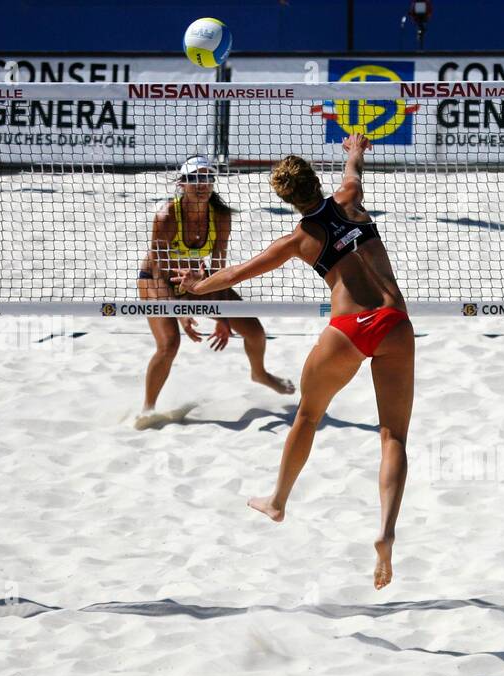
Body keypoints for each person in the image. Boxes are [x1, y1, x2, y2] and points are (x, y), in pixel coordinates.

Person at [176, 135, 413, 589]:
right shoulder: (350, 200)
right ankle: (385, 530)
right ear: (316, 181)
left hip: (349, 329)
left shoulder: (298, 239)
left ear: (284, 199)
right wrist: (353, 149)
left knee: (307, 415)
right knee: (394, 436)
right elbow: (354, 173)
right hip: (396, 323)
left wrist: (195, 286)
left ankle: (278, 500)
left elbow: (235, 273)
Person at [135, 156, 293, 429]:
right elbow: (160, 271)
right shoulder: (166, 216)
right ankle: (148, 408)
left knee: (254, 331)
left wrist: (223, 316)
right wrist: (181, 314)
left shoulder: (220, 216)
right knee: (169, 344)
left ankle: (260, 373)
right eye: (195, 178)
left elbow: (218, 268)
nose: (202, 184)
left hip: (196, 280)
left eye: (208, 178)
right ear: (181, 184)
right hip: (156, 281)